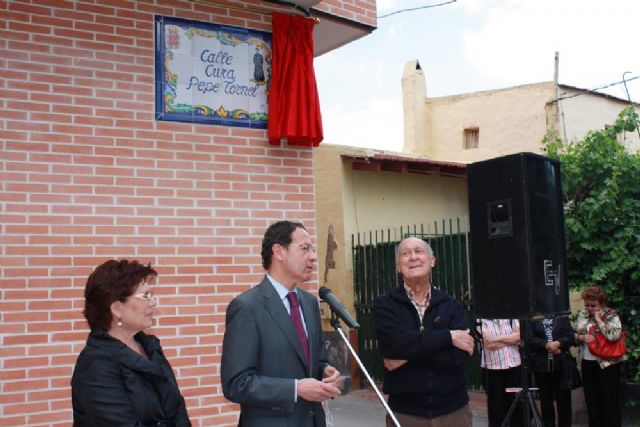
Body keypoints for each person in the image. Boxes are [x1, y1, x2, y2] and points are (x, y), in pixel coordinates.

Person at [221, 220, 342, 427]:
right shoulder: (247, 307)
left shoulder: (309, 302)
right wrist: (296, 389)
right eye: (304, 248)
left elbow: (314, 361)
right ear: (279, 252)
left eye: (312, 249)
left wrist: (325, 371)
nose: (313, 256)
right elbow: (236, 384)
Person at [71, 259, 191, 426]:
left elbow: (177, 407)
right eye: (146, 296)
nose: (154, 302)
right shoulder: (96, 364)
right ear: (117, 309)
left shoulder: (150, 347)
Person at [373, 237, 474, 427]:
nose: (413, 257)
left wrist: (407, 353)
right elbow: (394, 346)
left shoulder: (451, 305)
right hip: (406, 414)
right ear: (398, 266)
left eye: (418, 251)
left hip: (454, 412)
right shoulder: (385, 305)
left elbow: (459, 356)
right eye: (405, 253)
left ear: (432, 261)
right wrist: (448, 336)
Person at [575, 286, 625, 427]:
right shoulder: (583, 314)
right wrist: (580, 337)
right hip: (587, 362)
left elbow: (614, 336)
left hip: (608, 364)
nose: (590, 308)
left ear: (601, 303)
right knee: (592, 402)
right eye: (587, 305)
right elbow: (573, 334)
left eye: (593, 305)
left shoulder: (611, 315)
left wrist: (599, 320)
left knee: (609, 401)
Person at [526, 315, 576, 427]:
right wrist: (546, 345)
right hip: (542, 366)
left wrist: (559, 343)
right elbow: (529, 338)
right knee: (546, 401)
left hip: (561, 365)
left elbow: (570, 337)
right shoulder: (533, 318)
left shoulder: (561, 316)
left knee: (564, 401)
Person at [478, 319, 524, 427]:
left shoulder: (512, 316)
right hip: (492, 369)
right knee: (496, 408)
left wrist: (496, 339)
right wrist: (509, 338)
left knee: (516, 404)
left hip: (513, 367)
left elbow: (519, 338)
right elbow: (488, 344)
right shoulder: (482, 319)